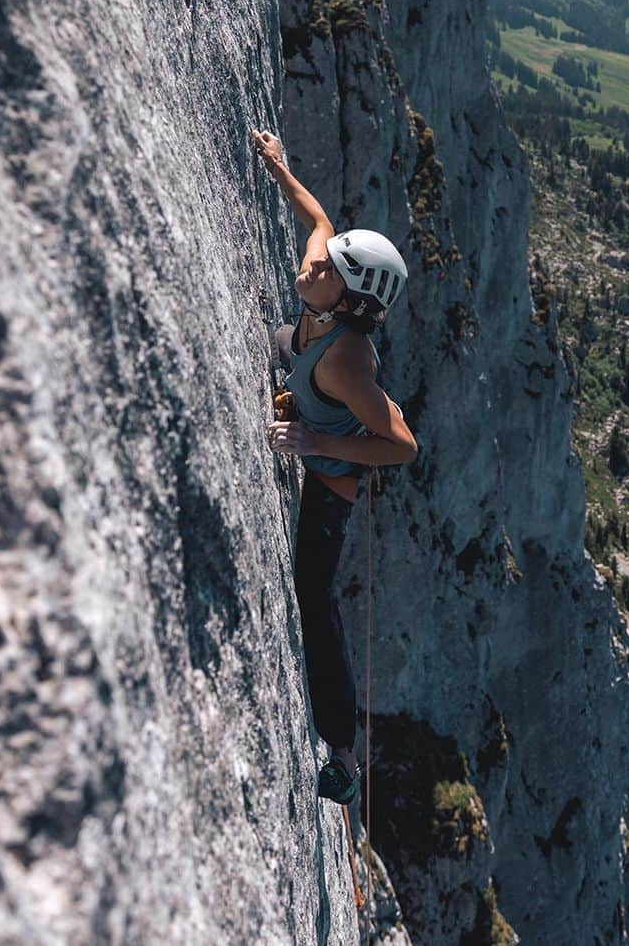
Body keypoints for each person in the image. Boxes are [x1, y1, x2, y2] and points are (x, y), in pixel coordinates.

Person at [253, 129, 418, 805]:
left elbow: (403, 445)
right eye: (324, 264)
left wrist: (316, 446)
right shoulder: (324, 292)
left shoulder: (350, 359)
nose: (312, 266)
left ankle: (343, 754)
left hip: (332, 482)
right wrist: (279, 166)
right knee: (287, 341)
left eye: (327, 270)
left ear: (347, 298)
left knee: (314, 596)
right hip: (311, 376)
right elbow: (318, 220)